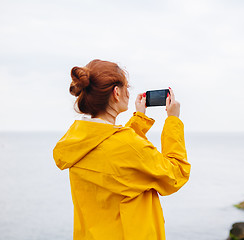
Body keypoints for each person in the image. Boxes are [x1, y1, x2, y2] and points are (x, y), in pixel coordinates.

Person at [53, 59, 191, 240]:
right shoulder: (127, 145)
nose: (128, 93)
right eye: (127, 87)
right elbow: (177, 173)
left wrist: (139, 119)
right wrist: (173, 120)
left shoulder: (76, 142)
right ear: (116, 92)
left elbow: (120, 160)